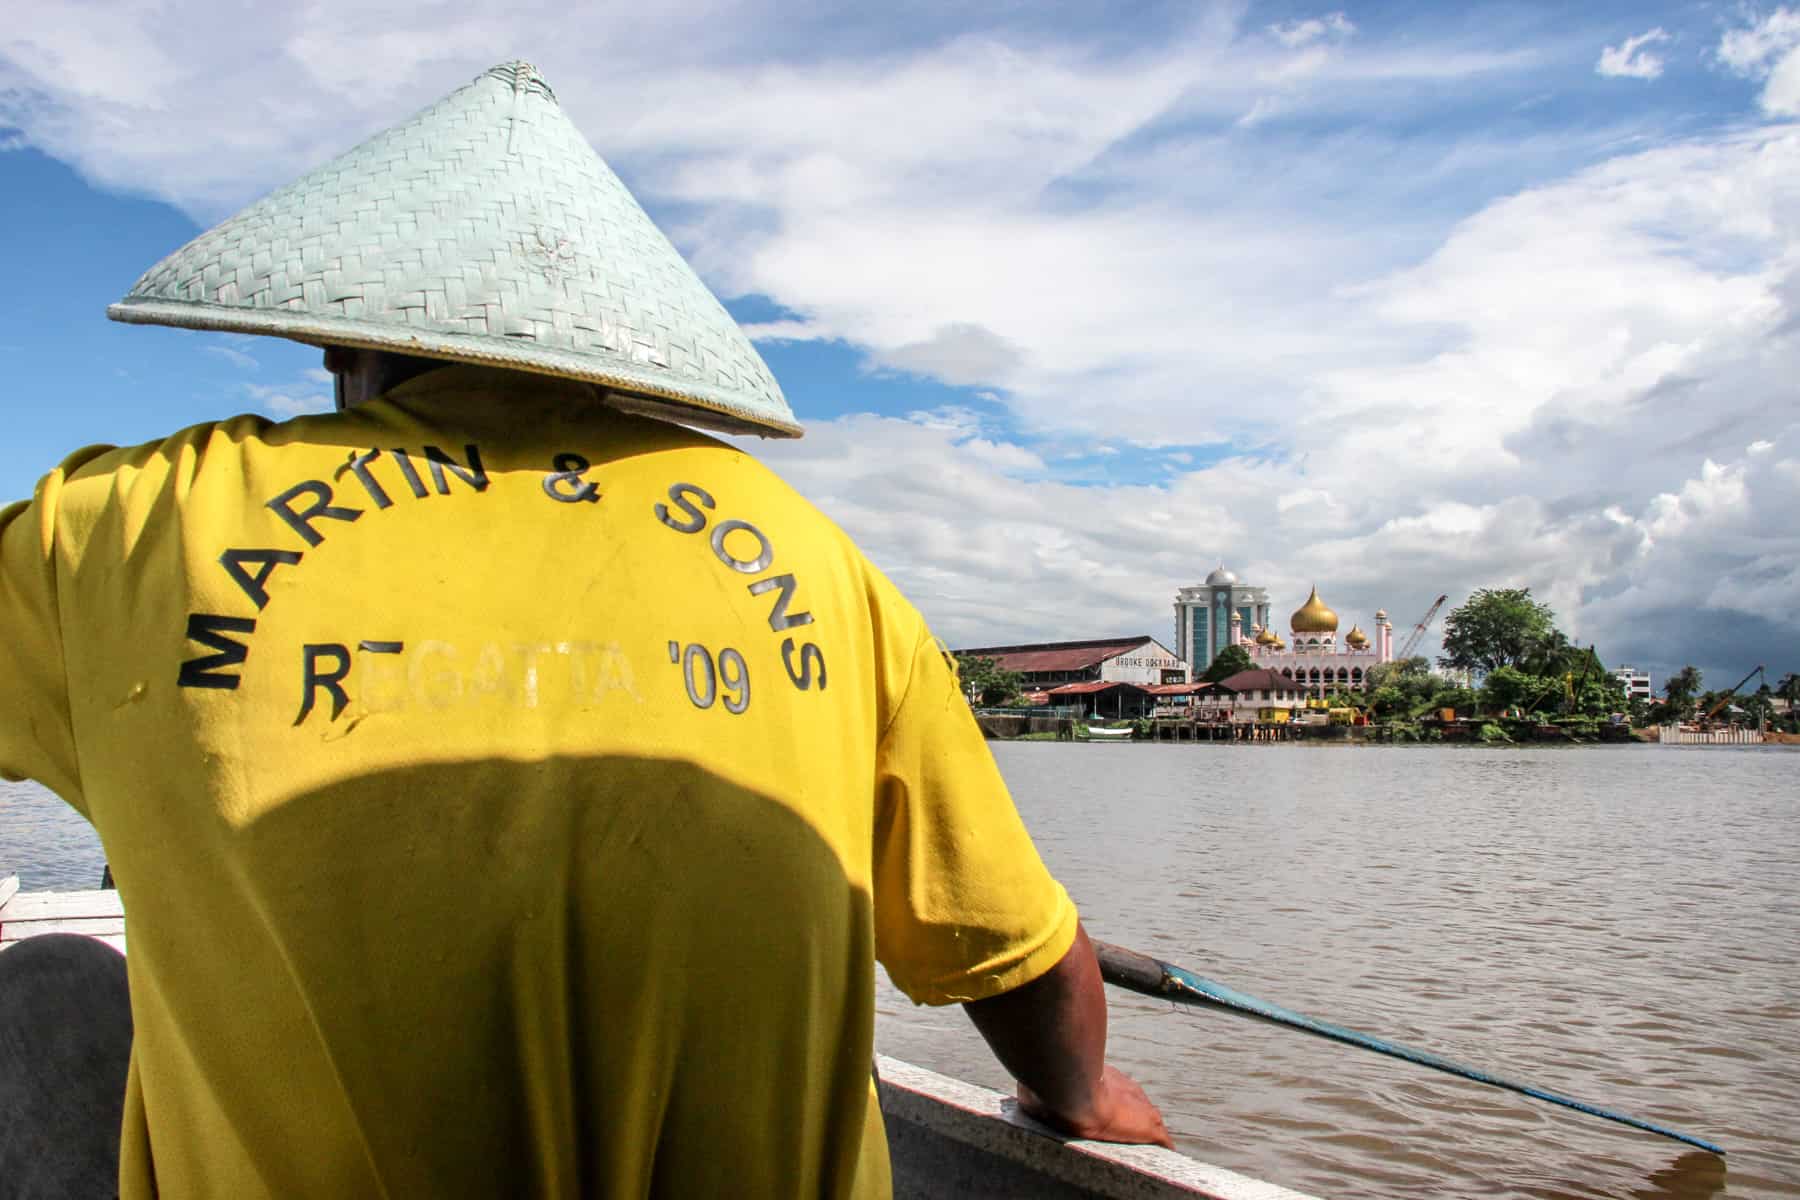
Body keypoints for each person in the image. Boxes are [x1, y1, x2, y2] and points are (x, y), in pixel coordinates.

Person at [0, 61, 1167, 1197]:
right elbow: (1014, 958)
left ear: (337, 339)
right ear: (608, 343)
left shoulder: (115, 533)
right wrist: (1082, 1095)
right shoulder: (822, 568)